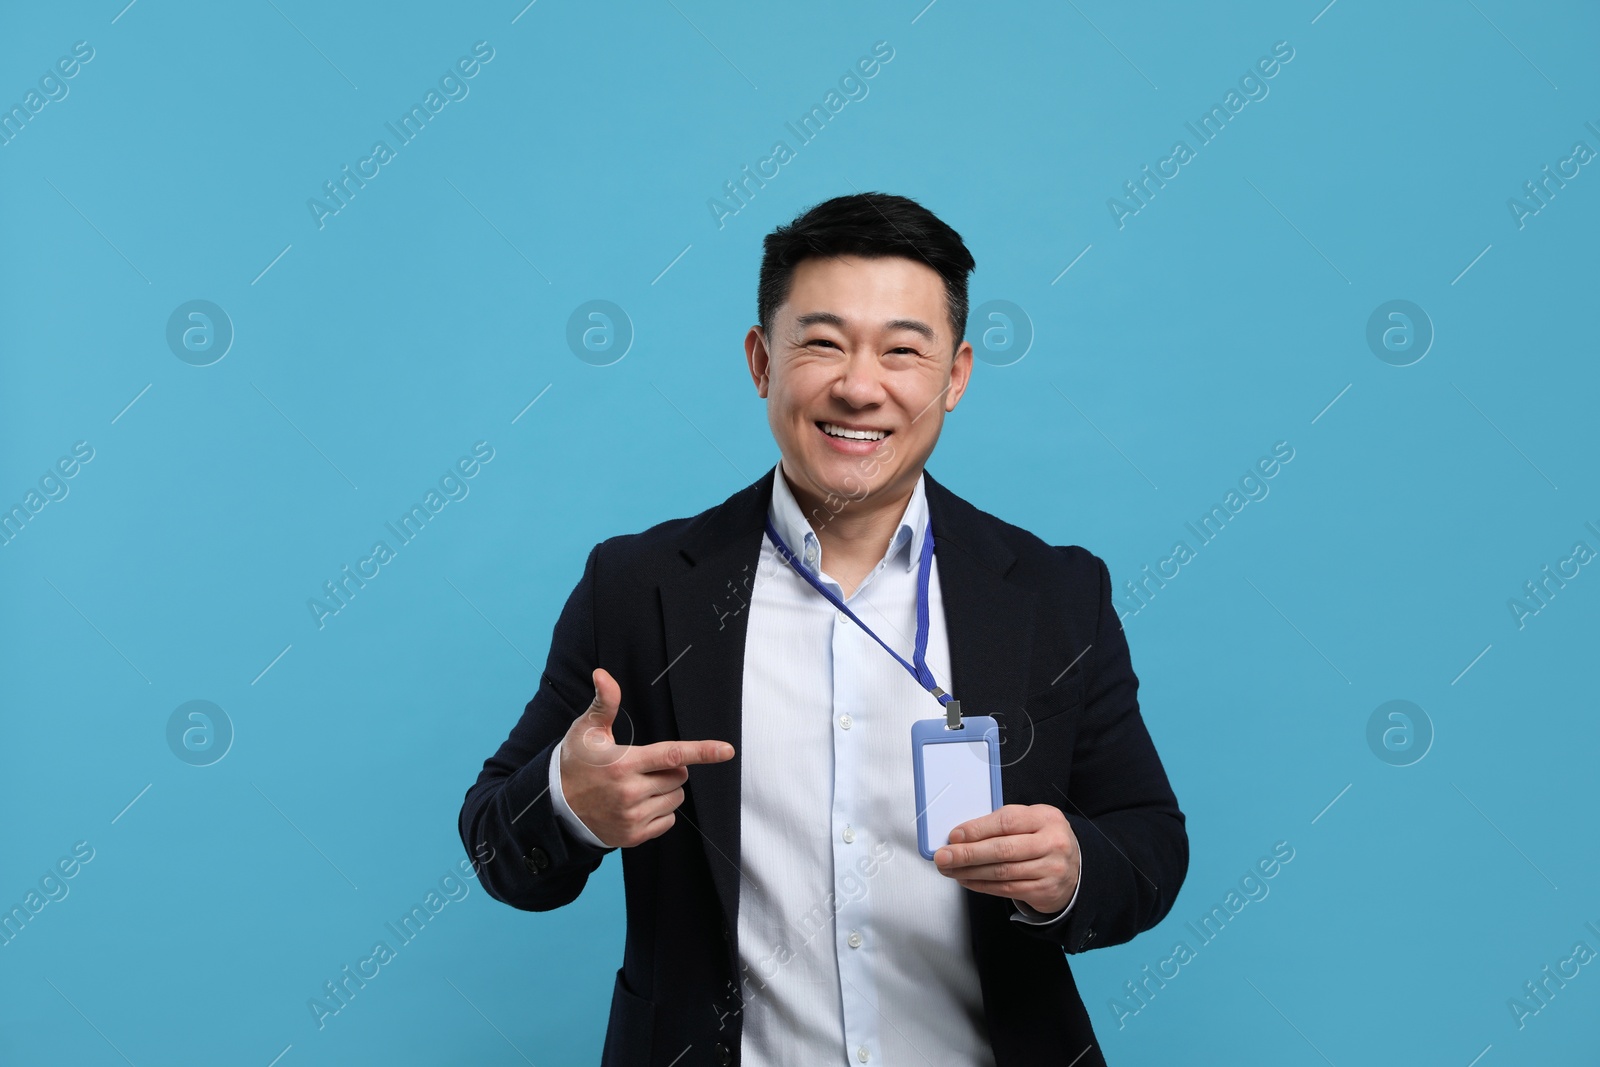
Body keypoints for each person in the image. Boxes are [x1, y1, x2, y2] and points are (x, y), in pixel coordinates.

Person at [458, 192, 1187, 1067]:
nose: (858, 385)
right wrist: (571, 803)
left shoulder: (1055, 592)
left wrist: (1073, 871)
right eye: (823, 342)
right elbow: (497, 840)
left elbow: (1151, 841)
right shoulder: (638, 590)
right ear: (762, 360)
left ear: (954, 376)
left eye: (902, 350)